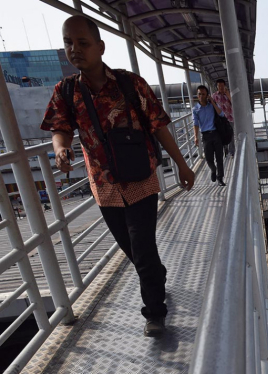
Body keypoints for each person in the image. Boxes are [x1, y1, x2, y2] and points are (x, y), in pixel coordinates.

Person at [41, 15, 195, 337]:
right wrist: (60, 149)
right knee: (132, 249)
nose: (75, 49)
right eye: (69, 42)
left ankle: (154, 312)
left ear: (100, 46)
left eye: (83, 43)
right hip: (105, 187)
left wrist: (181, 164)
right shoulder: (66, 92)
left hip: (141, 179)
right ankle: (156, 274)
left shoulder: (129, 84)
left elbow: (159, 125)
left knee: (142, 248)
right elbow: (61, 129)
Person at [193, 85, 226, 187]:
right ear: (197, 95)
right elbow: (196, 123)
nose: (201, 96)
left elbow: (221, 114)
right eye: (199, 94)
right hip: (206, 136)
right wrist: (195, 136)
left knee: (219, 157)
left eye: (203, 94)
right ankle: (213, 169)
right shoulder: (195, 109)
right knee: (209, 158)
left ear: (207, 95)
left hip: (216, 133)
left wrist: (213, 102)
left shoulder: (212, 105)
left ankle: (220, 178)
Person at [211, 78, 234, 157]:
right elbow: (212, 106)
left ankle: (232, 151)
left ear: (225, 86)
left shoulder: (229, 93)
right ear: (217, 86)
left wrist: (227, 94)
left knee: (231, 134)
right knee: (222, 135)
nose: (220, 87)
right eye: (219, 86)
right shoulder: (214, 95)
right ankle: (225, 150)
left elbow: (234, 103)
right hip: (220, 119)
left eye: (222, 85)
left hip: (230, 117)